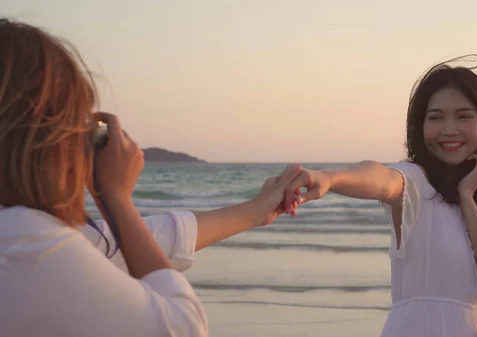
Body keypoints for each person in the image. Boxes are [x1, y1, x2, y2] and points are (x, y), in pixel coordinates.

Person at [0, 18, 300, 337]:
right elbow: (181, 328)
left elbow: (120, 246)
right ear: (44, 136)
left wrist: (256, 210)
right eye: (75, 122)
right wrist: (116, 198)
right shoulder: (22, 239)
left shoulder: (23, 237)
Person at [282, 56, 477, 337]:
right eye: (435, 117)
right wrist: (330, 179)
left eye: (463, 116)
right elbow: (381, 178)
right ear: (420, 126)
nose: (449, 129)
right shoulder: (416, 182)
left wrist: (467, 197)